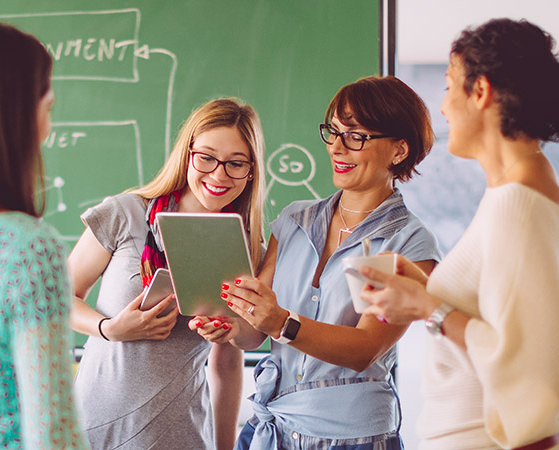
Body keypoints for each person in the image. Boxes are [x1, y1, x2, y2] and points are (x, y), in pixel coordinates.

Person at [194, 76, 443, 449]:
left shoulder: (409, 243)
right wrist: (229, 327)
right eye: (334, 132)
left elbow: (364, 349)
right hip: (273, 430)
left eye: (356, 136)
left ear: (399, 150)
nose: (337, 148)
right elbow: (256, 331)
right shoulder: (294, 220)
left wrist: (281, 320)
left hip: (353, 439)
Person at [359, 18, 559, 450]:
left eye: (449, 86)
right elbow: (508, 320)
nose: (443, 105)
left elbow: (528, 370)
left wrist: (425, 304)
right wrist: (425, 288)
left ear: (481, 91)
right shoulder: (514, 191)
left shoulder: (518, 205)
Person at [69, 98, 266, 449]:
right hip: (93, 430)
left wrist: (224, 447)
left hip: (180, 435)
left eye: (236, 164)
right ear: (186, 153)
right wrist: (109, 329)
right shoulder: (125, 213)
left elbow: (230, 360)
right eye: (206, 157)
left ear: (251, 171)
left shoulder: (246, 246)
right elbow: (56, 300)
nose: (219, 175)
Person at [0, 22, 88, 449]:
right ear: (17, 117)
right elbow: (53, 432)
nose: (48, 126)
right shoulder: (29, 248)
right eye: (47, 108)